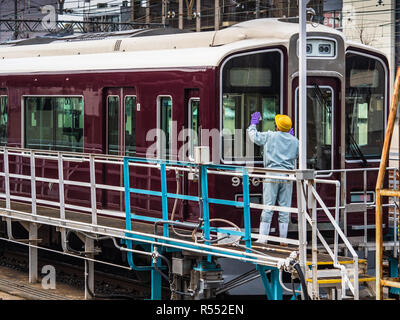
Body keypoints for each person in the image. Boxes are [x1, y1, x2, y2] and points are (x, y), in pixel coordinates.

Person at [247, 112, 299, 245]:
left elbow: (254, 137)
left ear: (277, 126)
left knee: (268, 207)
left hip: (272, 175)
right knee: (285, 208)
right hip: (288, 176)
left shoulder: (270, 136)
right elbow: (298, 155)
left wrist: (253, 124)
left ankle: (263, 238)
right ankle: (283, 239)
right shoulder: (295, 141)